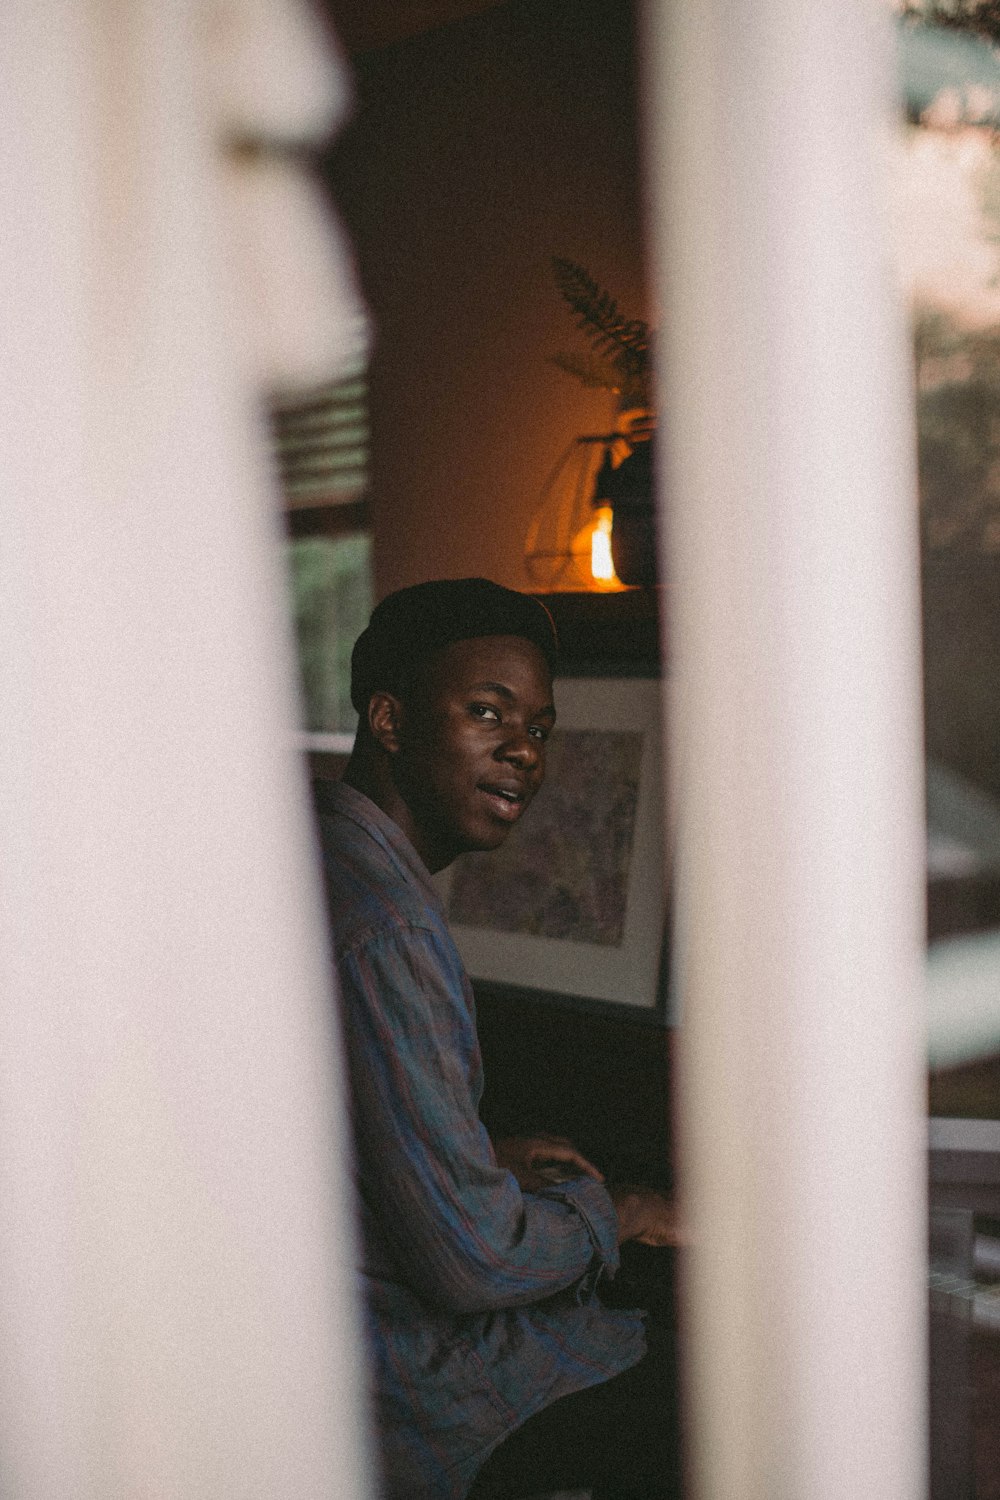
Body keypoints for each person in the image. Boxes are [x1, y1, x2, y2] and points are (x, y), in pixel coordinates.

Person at [313, 578, 681, 1500]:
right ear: (389, 720)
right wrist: (625, 1210)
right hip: (398, 1381)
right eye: (488, 713)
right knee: (723, 1385)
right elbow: (472, 1262)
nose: (524, 750)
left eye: (541, 729)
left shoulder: (320, 850)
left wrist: (472, 1157)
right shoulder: (387, 929)